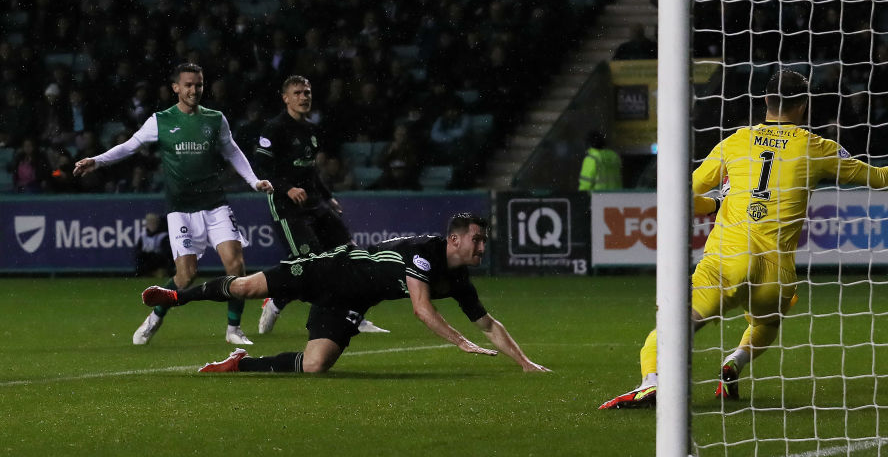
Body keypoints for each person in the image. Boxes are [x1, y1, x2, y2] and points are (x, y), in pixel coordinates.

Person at [599, 70, 888, 409]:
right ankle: (735, 361)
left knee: (675, 322)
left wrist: (716, 202)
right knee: (767, 324)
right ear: (804, 105)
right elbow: (880, 179)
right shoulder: (817, 147)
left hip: (726, 260)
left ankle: (651, 383)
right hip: (774, 274)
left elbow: (682, 194)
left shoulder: (735, 141)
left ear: (766, 99)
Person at [141, 213, 550, 375]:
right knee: (247, 286)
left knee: (316, 366)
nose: (482, 247)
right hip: (328, 268)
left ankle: (238, 365)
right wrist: (460, 342)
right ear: (454, 239)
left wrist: (527, 364)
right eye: (476, 240)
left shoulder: (459, 280)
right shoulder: (426, 255)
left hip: (350, 299)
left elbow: (489, 324)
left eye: (484, 241)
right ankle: (177, 298)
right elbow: (422, 311)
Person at [74, 62, 274, 345]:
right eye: (189, 85)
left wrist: (254, 181)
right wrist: (97, 160)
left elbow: (233, 152)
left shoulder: (216, 119)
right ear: (176, 88)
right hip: (181, 209)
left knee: (236, 265)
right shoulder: (160, 120)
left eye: (199, 84)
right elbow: (130, 146)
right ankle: (155, 316)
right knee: (185, 276)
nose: (194, 90)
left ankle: (233, 329)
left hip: (215, 204)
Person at [253, 75, 387, 335]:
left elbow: (311, 170)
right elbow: (261, 166)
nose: (304, 97)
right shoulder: (275, 128)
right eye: (298, 93)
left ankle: (350, 312)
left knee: (349, 253)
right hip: (286, 206)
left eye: (307, 92)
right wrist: (287, 188)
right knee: (312, 263)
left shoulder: (311, 129)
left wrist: (327, 196)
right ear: (285, 98)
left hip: (314, 203)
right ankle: (280, 300)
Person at [135, 212, 173, 277]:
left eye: (153, 223)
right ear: (146, 224)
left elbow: (167, 255)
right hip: (146, 266)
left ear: (157, 224)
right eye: (149, 223)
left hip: (159, 265)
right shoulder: (143, 236)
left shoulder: (163, 236)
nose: (151, 225)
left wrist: (153, 256)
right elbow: (137, 252)